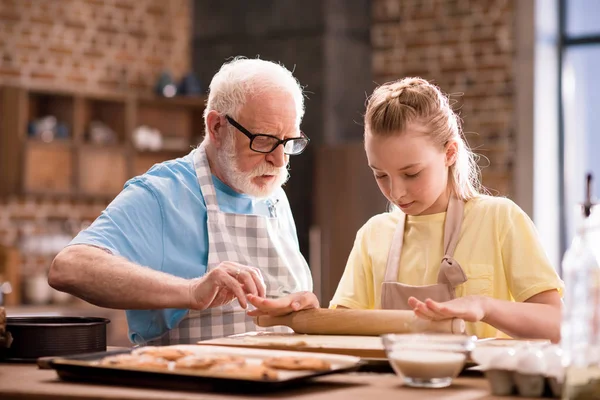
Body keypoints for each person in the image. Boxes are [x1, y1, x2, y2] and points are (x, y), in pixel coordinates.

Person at [248, 77, 564, 342]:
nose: (396, 192)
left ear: (450, 152)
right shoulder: (373, 235)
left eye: (411, 173)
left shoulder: (499, 220)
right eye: (380, 175)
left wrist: (485, 307)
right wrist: (308, 313)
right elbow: (343, 331)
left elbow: (557, 324)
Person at [48, 57, 318, 345]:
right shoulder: (163, 194)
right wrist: (190, 292)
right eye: (263, 140)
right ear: (216, 127)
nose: (278, 161)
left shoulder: (272, 195)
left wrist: (300, 311)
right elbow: (68, 267)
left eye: (289, 142)